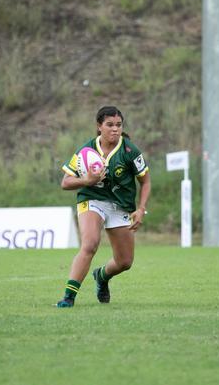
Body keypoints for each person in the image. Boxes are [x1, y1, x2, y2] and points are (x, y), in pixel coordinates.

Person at [56, 106, 151, 308]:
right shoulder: (86, 151)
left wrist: (141, 209)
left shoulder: (129, 151)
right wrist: (87, 180)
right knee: (89, 244)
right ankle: (68, 298)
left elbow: (146, 182)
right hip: (92, 199)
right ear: (99, 126)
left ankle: (101, 276)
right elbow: (65, 182)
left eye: (118, 125)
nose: (115, 129)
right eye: (109, 125)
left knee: (125, 262)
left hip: (120, 206)